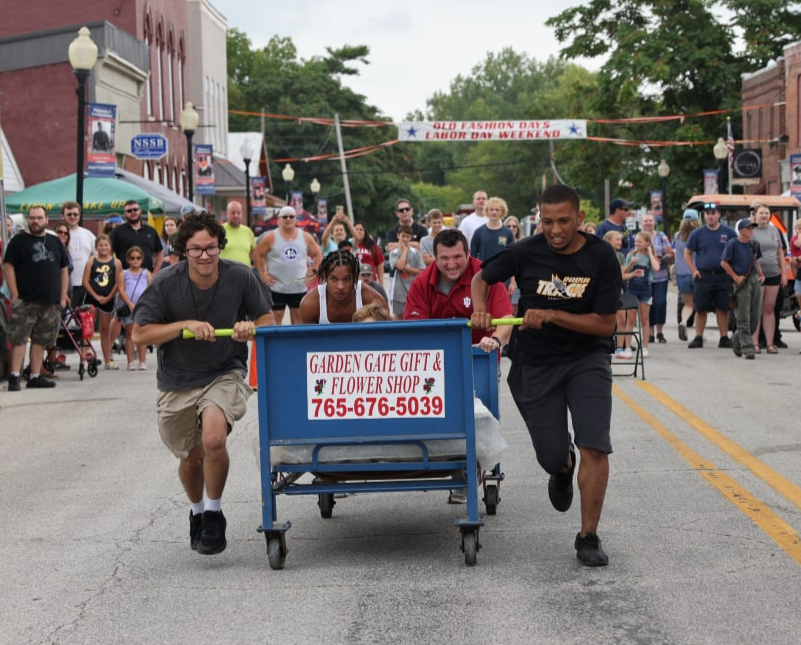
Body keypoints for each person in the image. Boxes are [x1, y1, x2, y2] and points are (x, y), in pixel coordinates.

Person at [470, 184, 621, 567]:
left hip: (587, 358)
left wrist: (553, 314)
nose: (555, 230)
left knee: (595, 444)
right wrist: (481, 309)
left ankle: (588, 536)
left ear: (580, 219)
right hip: (536, 362)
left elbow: (605, 325)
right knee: (552, 454)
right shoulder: (526, 251)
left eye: (564, 221)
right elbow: (482, 278)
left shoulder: (602, 257)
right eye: (548, 221)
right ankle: (562, 467)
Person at [132, 211, 274, 556]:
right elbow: (140, 334)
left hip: (225, 371)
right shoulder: (166, 282)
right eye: (196, 250)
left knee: (213, 439)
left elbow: (267, 318)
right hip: (177, 380)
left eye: (211, 247)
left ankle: (213, 512)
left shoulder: (240, 276)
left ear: (220, 245)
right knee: (191, 458)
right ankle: (197, 512)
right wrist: (185, 325)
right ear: (183, 250)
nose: (205, 256)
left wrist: (249, 328)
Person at [404, 228, 513, 504]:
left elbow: (505, 321)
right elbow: (414, 330)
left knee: (477, 418)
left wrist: (495, 341)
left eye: (457, 257)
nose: (451, 264)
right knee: (440, 419)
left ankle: (471, 470)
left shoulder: (486, 278)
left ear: (468, 254)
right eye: (444, 258)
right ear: (435, 258)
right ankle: (449, 465)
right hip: (436, 365)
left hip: (479, 360)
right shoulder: (422, 283)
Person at [3, 206, 69, 391]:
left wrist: (62, 297)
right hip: (24, 300)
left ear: (47, 220)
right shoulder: (18, 241)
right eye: (32, 218)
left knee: (41, 340)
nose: (35, 221)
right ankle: (15, 377)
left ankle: (35, 376)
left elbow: (63, 270)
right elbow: (8, 266)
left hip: (50, 301)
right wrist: (14, 294)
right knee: (19, 339)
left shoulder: (55, 242)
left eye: (39, 218)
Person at [253, 206, 322, 325]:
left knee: (298, 317)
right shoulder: (271, 237)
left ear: (296, 219)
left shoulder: (305, 236)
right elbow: (257, 254)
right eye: (285, 217)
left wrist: (313, 270)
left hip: (299, 286)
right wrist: (262, 275)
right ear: (279, 219)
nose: (288, 219)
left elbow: (318, 254)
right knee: (276, 318)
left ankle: (296, 343)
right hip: (277, 286)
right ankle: (277, 343)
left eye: (291, 216)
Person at [683, 202, 737, 349]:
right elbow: (687, 252)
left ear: (719, 215)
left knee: (723, 308)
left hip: (722, 276)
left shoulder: (729, 232)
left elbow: (737, 249)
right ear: (704, 216)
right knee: (701, 308)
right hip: (703, 276)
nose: (711, 216)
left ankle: (724, 337)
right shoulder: (697, 233)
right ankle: (698, 337)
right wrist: (693, 269)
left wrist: (733, 272)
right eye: (708, 214)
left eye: (713, 213)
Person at [299, 250, 388, 324]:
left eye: (346, 279)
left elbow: (385, 337)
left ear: (355, 278)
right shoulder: (310, 304)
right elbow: (309, 342)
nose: (340, 286)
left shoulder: (371, 299)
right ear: (325, 276)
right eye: (334, 279)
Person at [720, 219, 764, 360]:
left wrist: (761, 274)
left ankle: (738, 336)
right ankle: (748, 348)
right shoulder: (733, 244)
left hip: (754, 278)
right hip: (741, 281)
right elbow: (724, 262)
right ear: (741, 230)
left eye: (752, 228)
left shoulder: (754, 244)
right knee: (743, 315)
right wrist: (735, 277)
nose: (751, 230)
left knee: (755, 316)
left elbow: (756, 260)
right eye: (748, 228)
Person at [82, 234, 123, 370]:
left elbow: (118, 283)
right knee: (87, 330)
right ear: (96, 247)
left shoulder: (116, 263)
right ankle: (83, 358)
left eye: (106, 245)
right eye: (101, 245)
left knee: (105, 330)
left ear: (110, 247)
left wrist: (109, 297)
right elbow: (85, 281)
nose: (103, 248)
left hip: (108, 299)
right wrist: (95, 295)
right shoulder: (91, 261)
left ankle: (108, 359)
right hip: (92, 298)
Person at [750, 201, 786, 354]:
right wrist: (757, 271)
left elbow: (780, 253)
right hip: (758, 275)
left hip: (774, 273)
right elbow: (749, 254)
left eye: (766, 213)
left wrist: (783, 273)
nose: (764, 216)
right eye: (761, 213)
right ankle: (755, 343)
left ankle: (770, 344)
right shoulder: (751, 231)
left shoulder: (774, 231)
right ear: (755, 215)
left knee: (769, 309)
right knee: (757, 309)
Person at [623, 231, 660, 357]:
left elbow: (656, 268)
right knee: (631, 320)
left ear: (647, 243)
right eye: (636, 241)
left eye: (639, 241)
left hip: (646, 289)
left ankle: (645, 347)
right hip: (632, 288)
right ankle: (627, 346)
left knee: (644, 319)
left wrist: (650, 253)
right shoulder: (631, 255)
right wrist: (631, 263)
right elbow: (624, 273)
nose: (636, 243)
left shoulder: (650, 256)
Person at [639, 213, 674, 343]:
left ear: (654, 223)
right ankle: (650, 333)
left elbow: (670, 252)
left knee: (660, 303)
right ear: (641, 223)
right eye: (645, 221)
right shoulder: (639, 237)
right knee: (648, 305)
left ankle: (660, 332)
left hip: (660, 276)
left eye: (650, 220)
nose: (648, 223)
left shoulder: (661, 236)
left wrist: (664, 259)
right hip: (644, 277)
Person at [116, 246, 151, 371]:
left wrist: (144, 305)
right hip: (128, 307)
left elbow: (150, 290)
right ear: (128, 260)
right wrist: (130, 304)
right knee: (129, 334)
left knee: (142, 333)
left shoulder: (146, 273)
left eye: (138, 258)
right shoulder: (124, 274)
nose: (135, 260)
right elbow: (121, 290)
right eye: (132, 258)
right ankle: (130, 362)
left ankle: (142, 361)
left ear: (142, 259)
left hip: (143, 307)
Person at [111, 200, 163, 274]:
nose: (133, 212)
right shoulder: (117, 232)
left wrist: (154, 274)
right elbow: (108, 255)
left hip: (147, 278)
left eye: (135, 209)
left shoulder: (151, 231)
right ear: (125, 213)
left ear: (140, 211)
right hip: (124, 278)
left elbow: (160, 254)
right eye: (129, 211)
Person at [673, 209, 701, 341]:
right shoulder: (699, 235)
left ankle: (683, 322)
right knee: (700, 305)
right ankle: (698, 333)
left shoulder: (677, 236)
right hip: (696, 272)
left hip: (681, 273)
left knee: (688, 304)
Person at [61, 201, 95, 307]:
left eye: (75, 214)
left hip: (85, 285)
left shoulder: (88, 234)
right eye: (69, 214)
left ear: (80, 216)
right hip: (63, 286)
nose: (72, 217)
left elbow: (98, 256)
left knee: (84, 320)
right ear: (63, 216)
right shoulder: (57, 234)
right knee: (65, 319)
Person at [388, 225, 425, 319]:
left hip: (413, 290)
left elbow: (421, 271)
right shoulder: (394, 253)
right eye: (403, 236)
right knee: (399, 317)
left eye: (407, 237)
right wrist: (404, 251)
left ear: (411, 238)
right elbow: (399, 266)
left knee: (414, 316)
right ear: (398, 236)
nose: (405, 239)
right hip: (398, 292)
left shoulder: (416, 253)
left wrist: (406, 268)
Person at [219, 201, 255, 267]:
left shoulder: (248, 231)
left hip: (245, 274)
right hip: (225, 274)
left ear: (242, 214)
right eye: (233, 213)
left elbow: (253, 250)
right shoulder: (219, 230)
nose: (236, 215)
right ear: (227, 214)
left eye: (238, 213)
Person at [504, 215, 524, 315]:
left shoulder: (523, 243)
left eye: (514, 226)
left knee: (516, 307)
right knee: (508, 307)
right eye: (508, 226)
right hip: (506, 280)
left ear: (518, 228)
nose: (511, 228)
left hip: (520, 280)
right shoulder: (502, 244)